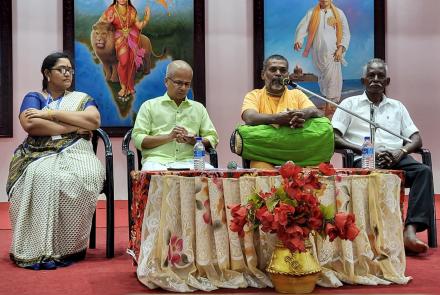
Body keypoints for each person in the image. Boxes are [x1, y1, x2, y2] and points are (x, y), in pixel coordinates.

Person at [6, 52, 105, 269]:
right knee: (40, 175)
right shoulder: (34, 97)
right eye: (62, 69)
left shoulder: (82, 98)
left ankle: (68, 246)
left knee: (82, 176)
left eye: (70, 69)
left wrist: (50, 115)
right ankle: (38, 247)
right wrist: (75, 128)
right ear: (47, 73)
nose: (68, 73)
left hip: (79, 153)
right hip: (37, 154)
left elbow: (93, 120)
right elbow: (31, 126)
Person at [332, 58, 433, 254]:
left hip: (397, 157)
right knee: (373, 173)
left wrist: (400, 152)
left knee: (424, 172)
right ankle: (368, 233)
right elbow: (334, 137)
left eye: (381, 76)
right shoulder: (349, 104)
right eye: (371, 75)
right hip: (366, 158)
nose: (376, 79)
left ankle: (410, 231)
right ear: (363, 80)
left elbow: (416, 138)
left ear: (387, 82)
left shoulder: (397, 107)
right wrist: (365, 149)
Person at [132, 60, 219, 170]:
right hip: (157, 162)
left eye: (187, 84)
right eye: (178, 82)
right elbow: (138, 139)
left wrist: (193, 140)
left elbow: (213, 139)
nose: (183, 88)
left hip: (192, 162)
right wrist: (169, 137)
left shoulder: (198, 108)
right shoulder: (149, 106)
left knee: (213, 176)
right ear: (166, 82)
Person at [241, 54, 322, 169]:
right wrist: (277, 119)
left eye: (283, 70)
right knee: (262, 173)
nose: (278, 73)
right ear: (263, 75)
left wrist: (303, 114)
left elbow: (316, 111)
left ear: (287, 76)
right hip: (265, 155)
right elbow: (249, 117)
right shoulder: (254, 95)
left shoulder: (297, 94)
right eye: (273, 70)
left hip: (298, 154)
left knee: (318, 173)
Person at [294, 0, 350, 117]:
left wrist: (341, 48)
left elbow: (346, 33)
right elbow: (302, 27)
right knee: (324, 80)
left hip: (333, 53)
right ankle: (329, 104)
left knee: (332, 79)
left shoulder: (339, 13)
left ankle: (329, 108)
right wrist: (299, 40)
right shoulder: (312, 13)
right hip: (318, 54)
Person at [100, 0, 150, 97]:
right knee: (123, 61)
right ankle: (123, 87)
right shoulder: (111, 10)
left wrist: (147, 17)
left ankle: (130, 87)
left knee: (132, 62)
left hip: (133, 37)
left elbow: (139, 26)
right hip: (119, 38)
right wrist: (108, 22)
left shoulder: (132, 10)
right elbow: (101, 24)